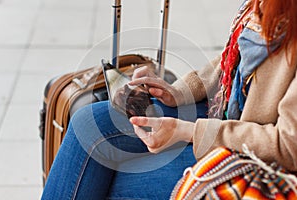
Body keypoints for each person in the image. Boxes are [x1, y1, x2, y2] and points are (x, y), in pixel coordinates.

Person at [41, 0, 297, 199]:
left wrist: (188, 131)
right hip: (228, 116)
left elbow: (288, 147)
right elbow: (233, 61)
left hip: (259, 158)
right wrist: (177, 92)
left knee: (111, 180)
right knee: (87, 123)